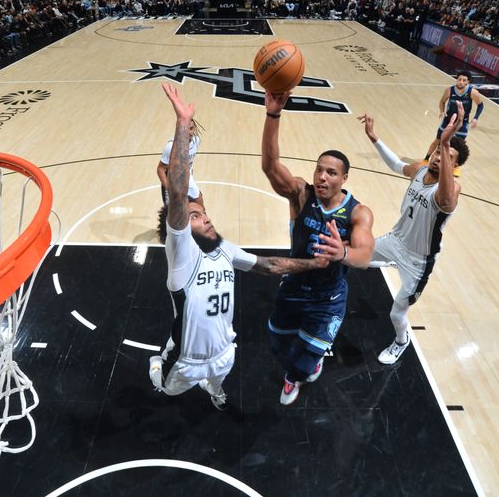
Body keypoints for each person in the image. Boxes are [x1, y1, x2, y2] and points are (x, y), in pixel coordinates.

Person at [151, 83, 327, 411]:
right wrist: (181, 123)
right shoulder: (182, 257)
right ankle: (157, 367)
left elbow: (269, 266)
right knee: (167, 390)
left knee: (218, 384)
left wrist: (313, 264)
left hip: (224, 354)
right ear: (180, 231)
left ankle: (214, 390)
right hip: (185, 361)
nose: (204, 216)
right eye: (194, 216)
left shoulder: (225, 248)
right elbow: (177, 191)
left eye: (203, 212)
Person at [261, 91, 375, 405]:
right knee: (277, 343)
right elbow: (271, 167)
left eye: (331, 172)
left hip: (328, 297)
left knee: (303, 363)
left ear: (345, 178)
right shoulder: (301, 194)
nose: (322, 176)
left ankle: (298, 374)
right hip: (294, 285)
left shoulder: (357, 212)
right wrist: (273, 115)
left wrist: (343, 254)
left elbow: (365, 255)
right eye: (319, 169)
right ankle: (299, 361)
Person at [342, 103, 469, 365]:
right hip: (394, 242)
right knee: (346, 253)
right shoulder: (421, 170)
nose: (436, 156)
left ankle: (401, 342)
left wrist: (445, 144)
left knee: (397, 316)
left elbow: (445, 199)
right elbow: (397, 164)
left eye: (446, 156)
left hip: (417, 262)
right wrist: (374, 137)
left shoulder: (451, 190)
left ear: (454, 165)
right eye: (436, 151)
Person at [424, 70, 482, 177]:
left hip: (462, 123)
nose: (460, 82)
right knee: (438, 141)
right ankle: (426, 159)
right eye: (459, 79)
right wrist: (442, 111)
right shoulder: (449, 90)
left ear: (467, 82)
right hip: (448, 121)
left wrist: (475, 118)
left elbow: (480, 105)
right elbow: (442, 101)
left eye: (464, 80)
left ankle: (456, 167)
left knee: (459, 147)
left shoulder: (472, 92)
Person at [156, 118, 203, 206]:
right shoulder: (171, 147)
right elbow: (160, 169)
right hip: (172, 180)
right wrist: (169, 189)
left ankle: (202, 218)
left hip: (187, 176)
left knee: (198, 201)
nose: (189, 132)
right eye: (185, 130)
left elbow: (189, 162)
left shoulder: (196, 141)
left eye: (191, 128)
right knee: (171, 212)